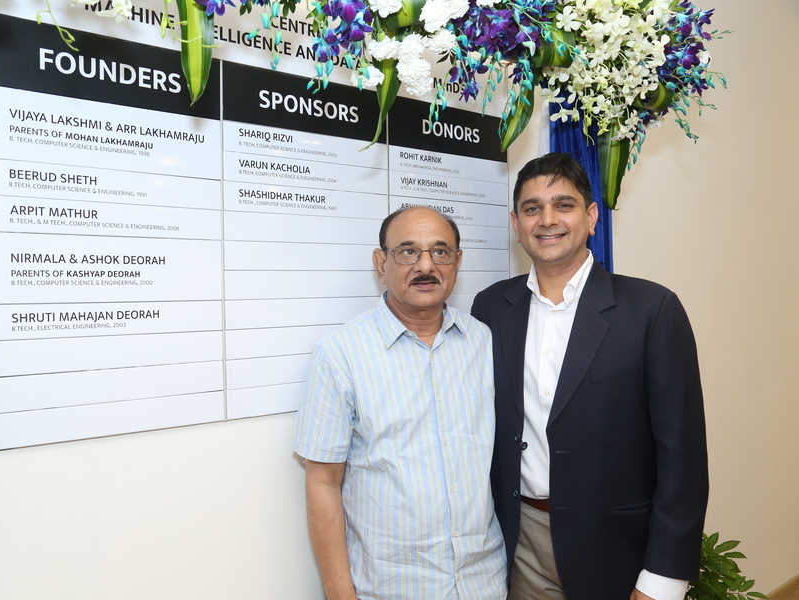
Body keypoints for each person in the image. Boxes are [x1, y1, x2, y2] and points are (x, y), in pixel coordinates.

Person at [471, 153, 708, 600]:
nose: (547, 220)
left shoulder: (651, 310)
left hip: (618, 549)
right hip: (519, 541)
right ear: (516, 224)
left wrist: (662, 580)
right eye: (532, 208)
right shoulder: (490, 308)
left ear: (592, 216)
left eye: (564, 205)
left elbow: (683, 459)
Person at [294, 206, 507, 600]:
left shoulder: (484, 342)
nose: (426, 265)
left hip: (486, 583)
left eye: (440, 251)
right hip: (391, 589)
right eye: (408, 251)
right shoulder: (340, 354)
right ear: (381, 263)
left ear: (457, 261)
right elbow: (323, 481)